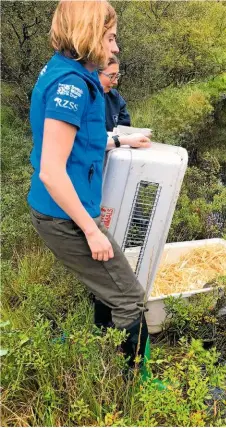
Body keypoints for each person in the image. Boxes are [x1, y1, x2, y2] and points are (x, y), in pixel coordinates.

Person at [28, 0, 151, 369]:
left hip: (60, 210)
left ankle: (103, 345)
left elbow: (76, 143)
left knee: (108, 285)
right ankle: (135, 383)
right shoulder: (73, 86)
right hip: (65, 215)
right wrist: (91, 231)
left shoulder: (65, 70)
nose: (115, 48)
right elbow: (51, 169)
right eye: (110, 38)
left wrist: (118, 141)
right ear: (89, 34)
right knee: (130, 296)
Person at [98, 55, 130, 132]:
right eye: (111, 76)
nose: (115, 82)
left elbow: (124, 128)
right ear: (95, 73)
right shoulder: (82, 97)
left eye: (117, 76)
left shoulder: (115, 97)